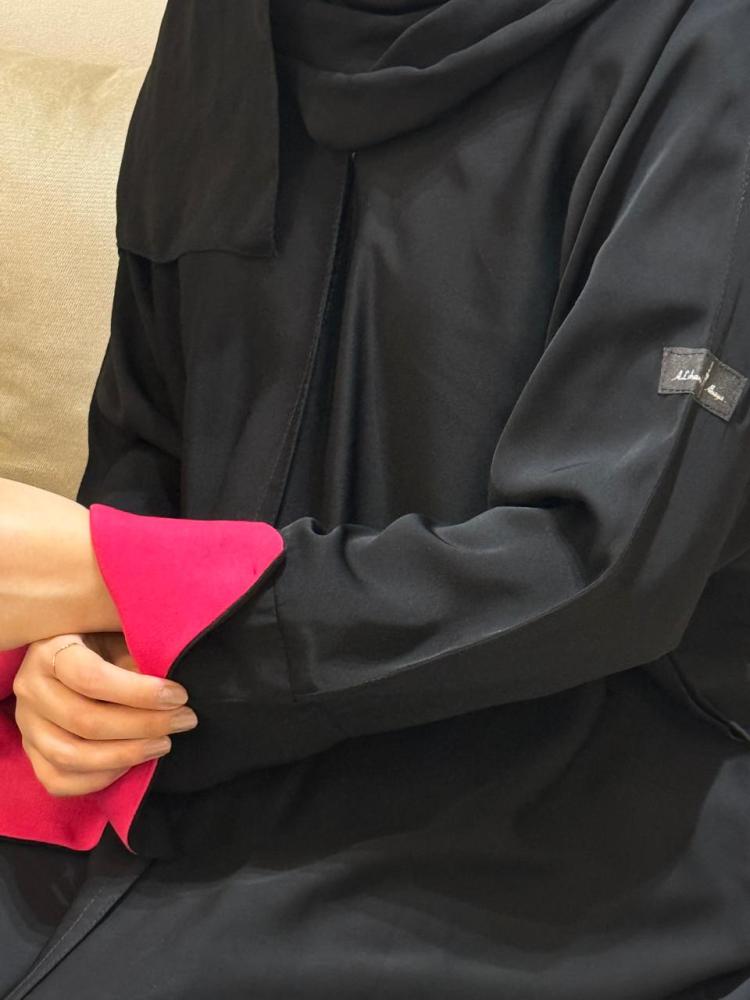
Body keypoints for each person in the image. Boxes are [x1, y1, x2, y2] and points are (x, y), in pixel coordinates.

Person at [1, 0, 750, 996]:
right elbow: (150, 424)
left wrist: (140, 587)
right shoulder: (223, 27)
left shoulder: (704, 42)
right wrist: (82, 652)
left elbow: (604, 568)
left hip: (586, 791)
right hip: (191, 740)